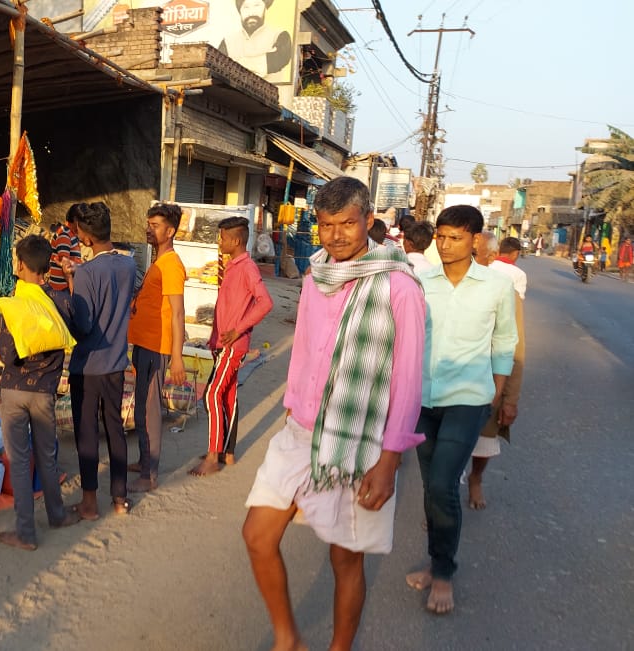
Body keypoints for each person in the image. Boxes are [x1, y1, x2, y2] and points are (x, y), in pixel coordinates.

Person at [243, 176, 425, 651]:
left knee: (346, 561)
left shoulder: (399, 286)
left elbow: (407, 381)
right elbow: (303, 350)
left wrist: (390, 461)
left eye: (347, 223)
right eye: (326, 225)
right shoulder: (316, 272)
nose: (336, 235)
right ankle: (288, 638)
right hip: (301, 431)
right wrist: (290, 412)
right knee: (257, 536)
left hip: (360, 441)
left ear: (368, 220)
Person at [408, 205, 517, 614]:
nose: (445, 243)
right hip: (421, 398)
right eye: (440, 235)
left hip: (469, 400)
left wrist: (500, 390)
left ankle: (443, 572)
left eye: (455, 236)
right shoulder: (420, 281)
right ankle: (436, 561)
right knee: (431, 486)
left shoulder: (496, 286)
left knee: (442, 483)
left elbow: (505, 339)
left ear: (476, 240)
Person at [0, 235, 83, 550]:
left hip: (14, 392)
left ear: (19, 265)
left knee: (19, 461)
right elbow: (79, 328)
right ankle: (57, 515)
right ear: (48, 267)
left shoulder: (14, 304)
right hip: (45, 393)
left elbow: (6, 353)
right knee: (47, 456)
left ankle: (26, 532)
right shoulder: (58, 301)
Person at [60, 202, 137, 518]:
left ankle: (89, 502)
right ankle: (120, 499)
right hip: (117, 362)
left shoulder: (89, 272)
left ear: (86, 237)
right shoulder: (129, 266)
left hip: (89, 366)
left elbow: (84, 325)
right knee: (115, 428)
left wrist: (68, 295)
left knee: (87, 433)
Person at [191, 217, 273, 476]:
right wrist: (214, 338)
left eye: (223, 238)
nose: (220, 242)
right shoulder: (233, 266)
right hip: (223, 343)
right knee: (226, 396)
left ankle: (214, 455)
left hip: (234, 344)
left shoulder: (247, 267)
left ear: (236, 241)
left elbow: (265, 302)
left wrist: (238, 329)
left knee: (212, 395)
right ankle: (226, 452)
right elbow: (225, 307)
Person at [126, 204, 187, 493]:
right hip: (144, 342)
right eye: (148, 223)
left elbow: (177, 313)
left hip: (158, 346)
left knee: (150, 409)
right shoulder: (159, 261)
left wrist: (176, 357)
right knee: (141, 405)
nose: (150, 229)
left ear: (170, 230)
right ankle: (143, 460)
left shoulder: (172, 264)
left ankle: (150, 475)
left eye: (156, 225)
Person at [469, 237, 527, 510]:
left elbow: (515, 349)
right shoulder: (437, 284)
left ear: (492, 256)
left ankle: (476, 479)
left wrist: (510, 399)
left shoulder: (505, 291)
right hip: (446, 383)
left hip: (488, 382)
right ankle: (441, 503)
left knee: (483, 440)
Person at [220, 0, 293, 76]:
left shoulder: (280, 36)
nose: (251, 12)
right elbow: (218, 67)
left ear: (265, 8)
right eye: (246, 7)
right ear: (240, 12)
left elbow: (277, 61)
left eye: (257, 6)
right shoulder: (228, 41)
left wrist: (234, 64)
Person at [47, 206, 82, 293]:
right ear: (75, 220)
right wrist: (71, 289)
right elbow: (65, 265)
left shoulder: (71, 234)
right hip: (62, 288)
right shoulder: (64, 235)